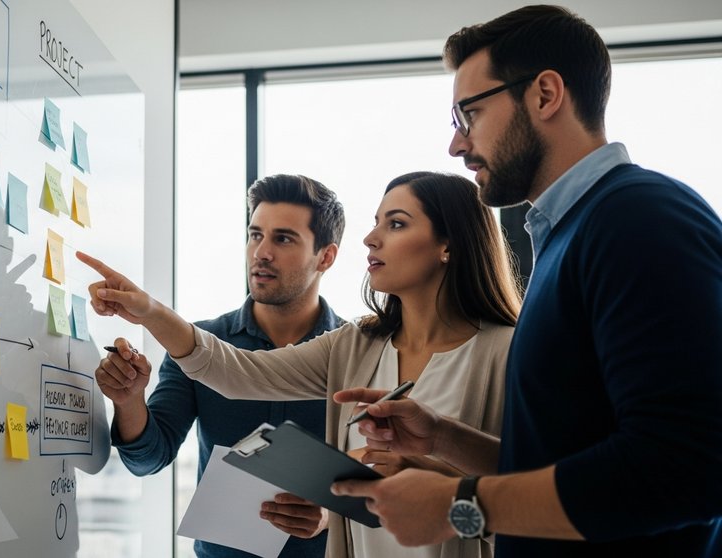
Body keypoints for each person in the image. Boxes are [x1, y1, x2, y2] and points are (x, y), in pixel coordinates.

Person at [329, 5, 722, 558]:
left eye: (470, 115)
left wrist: (460, 505)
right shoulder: (570, 234)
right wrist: (444, 437)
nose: (457, 145)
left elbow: (688, 466)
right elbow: (570, 459)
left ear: (544, 94)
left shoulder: (641, 218)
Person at [84, 170, 521, 558]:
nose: (371, 238)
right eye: (255, 235)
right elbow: (233, 374)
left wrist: (432, 458)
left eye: (397, 224)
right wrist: (148, 311)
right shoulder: (356, 346)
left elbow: (543, 486)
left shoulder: (508, 351)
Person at [98, 174, 345, 558]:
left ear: (326, 256)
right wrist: (129, 401)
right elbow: (149, 460)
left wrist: (331, 514)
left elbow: (383, 472)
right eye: (255, 234)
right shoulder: (199, 345)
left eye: (282, 238)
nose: (261, 252)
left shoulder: (355, 353)